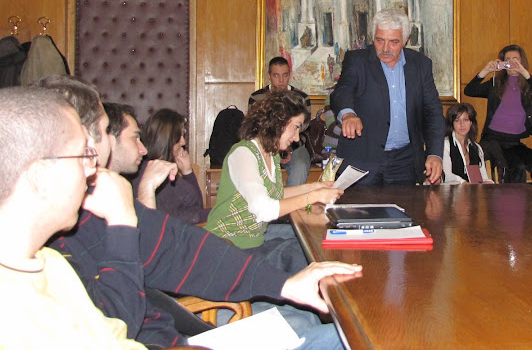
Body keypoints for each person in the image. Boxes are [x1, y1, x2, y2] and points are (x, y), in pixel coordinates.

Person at [37, 75, 361, 348]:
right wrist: (123, 222)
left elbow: (180, 246)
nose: (140, 148)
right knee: (340, 334)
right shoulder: (52, 252)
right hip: (208, 292)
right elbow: (119, 322)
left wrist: (283, 285)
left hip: (188, 324)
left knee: (316, 308)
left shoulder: (88, 213)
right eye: (101, 136)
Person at [0, 86, 144, 349]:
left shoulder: (52, 264)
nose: (92, 169)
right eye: (82, 156)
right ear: (40, 176)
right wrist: (123, 220)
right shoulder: (8, 309)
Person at [206, 90, 342, 249]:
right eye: (296, 127)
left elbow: (274, 194)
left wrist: (313, 187)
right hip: (226, 246)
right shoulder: (243, 153)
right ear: (278, 121)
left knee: (313, 236)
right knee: (303, 247)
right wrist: (313, 197)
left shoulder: (272, 155)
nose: (297, 138)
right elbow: (264, 209)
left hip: (254, 241)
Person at [330, 8, 445, 185]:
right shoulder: (357, 60)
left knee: (405, 204)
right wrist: (348, 114)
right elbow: (343, 90)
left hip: (404, 162)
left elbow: (433, 112)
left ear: (405, 40)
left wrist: (435, 154)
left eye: (393, 42)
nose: (385, 49)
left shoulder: (421, 65)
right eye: (380, 40)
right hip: (362, 158)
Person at [463, 44, 532, 189]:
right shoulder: (495, 84)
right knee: (517, 167)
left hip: (515, 142)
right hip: (494, 140)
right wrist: (486, 70)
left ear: (522, 62)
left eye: (515, 59)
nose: (511, 62)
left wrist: (523, 72)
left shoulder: (527, 87)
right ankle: (515, 202)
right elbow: (470, 90)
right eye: (507, 59)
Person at [125, 107, 210, 224]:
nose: (183, 142)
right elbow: (171, 217)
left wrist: (187, 172)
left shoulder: (167, 169)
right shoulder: (150, 174)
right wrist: (215, 213)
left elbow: (195, 206)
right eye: (179, 136)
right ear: (166, 139)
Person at [250, 56, 313, 187]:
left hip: (295, 146)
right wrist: (275, 148)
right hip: (265, 146)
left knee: (300, 165)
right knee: (256, 165)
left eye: (285, 75)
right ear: (269, 76)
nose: (281, 80)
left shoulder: (301, 98)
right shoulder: (257, 98)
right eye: (276, 75)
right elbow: (254, 129)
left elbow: (304, 130)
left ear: (289, 75)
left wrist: (288, 149)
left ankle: (293, 199)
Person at [442, 103, 493, 184]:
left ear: (471, 123)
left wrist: (488, 182)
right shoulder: (445, 145)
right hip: (451, 191)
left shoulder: (476, 148)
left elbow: (482, 178)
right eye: (457, 120)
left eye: (466, 120)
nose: (462, 124)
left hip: (473, 190)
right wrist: (464, 183)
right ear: (452, 123)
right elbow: (447, 176)